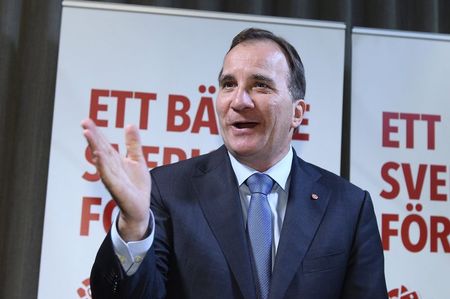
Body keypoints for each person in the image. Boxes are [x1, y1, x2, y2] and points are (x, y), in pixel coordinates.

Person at [83, 28, 387, 298]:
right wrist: (134, 226)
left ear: (298, 113)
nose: (239, 101)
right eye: (228, 84)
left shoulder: (348, 207)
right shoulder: (168, 190)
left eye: (261, 85)